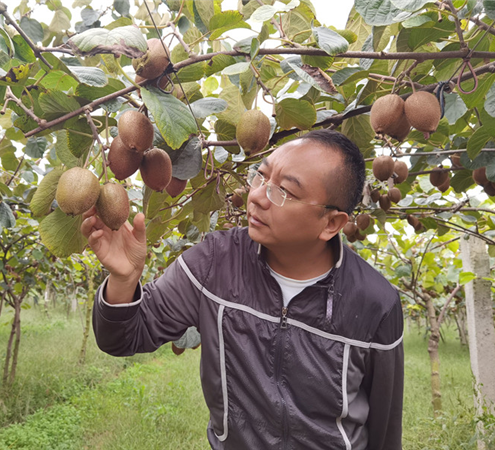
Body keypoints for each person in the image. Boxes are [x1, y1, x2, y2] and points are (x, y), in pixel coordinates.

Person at [81, 129, 404, 450]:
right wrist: (124, 280)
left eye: (285, 192)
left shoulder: (376, 303)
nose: (258, 196)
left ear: (331, 224)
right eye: (260, 177)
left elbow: (385, 432)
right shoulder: (214, 262)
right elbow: (122, 338)